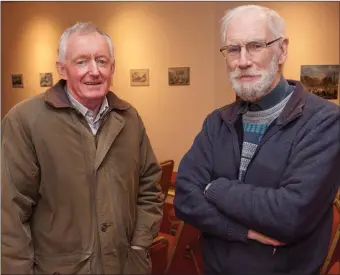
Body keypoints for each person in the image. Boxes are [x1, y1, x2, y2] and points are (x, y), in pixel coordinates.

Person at [174, 5, 340, 275]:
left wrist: (214, 188)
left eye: (255, 46)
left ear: (282, 50)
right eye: (233, 49)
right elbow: (184, 197)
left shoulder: (324, 121)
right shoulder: (217, 122)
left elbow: (290, 215)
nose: (242, 61)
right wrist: (242, 231)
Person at [1, 22, 164, 274]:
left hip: (124, 267)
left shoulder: (129, 119)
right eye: (81, 62)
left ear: (113, 68)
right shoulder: (25, 121)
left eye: (101, 61)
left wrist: (140, 247)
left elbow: (149, 187)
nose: (94, 71)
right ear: (62, 69)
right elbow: (9, 213)